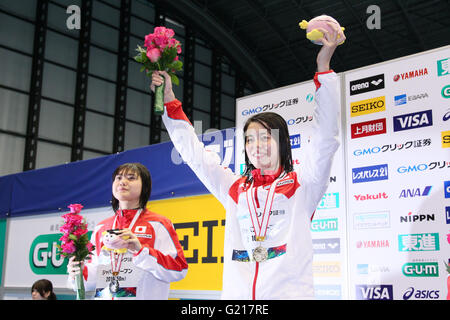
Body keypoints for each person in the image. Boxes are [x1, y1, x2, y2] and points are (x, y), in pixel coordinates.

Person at [151, 22, 344, 299]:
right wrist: (169, 101)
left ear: (282, 143)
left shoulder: (304, 184)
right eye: (250, 140)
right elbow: (193, 153)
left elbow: (326, 137)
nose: (256, 146)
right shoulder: (234, 188)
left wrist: (323, 65)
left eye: (265, 137)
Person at [66, 162, 188, 299]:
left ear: (145, 186)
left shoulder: (158, 224)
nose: (123, 182)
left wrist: (140, 251)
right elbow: (93, 277)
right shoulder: (102, 228)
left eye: (131, 178)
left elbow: (179, 269)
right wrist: (79, 272)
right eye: (118, 178)